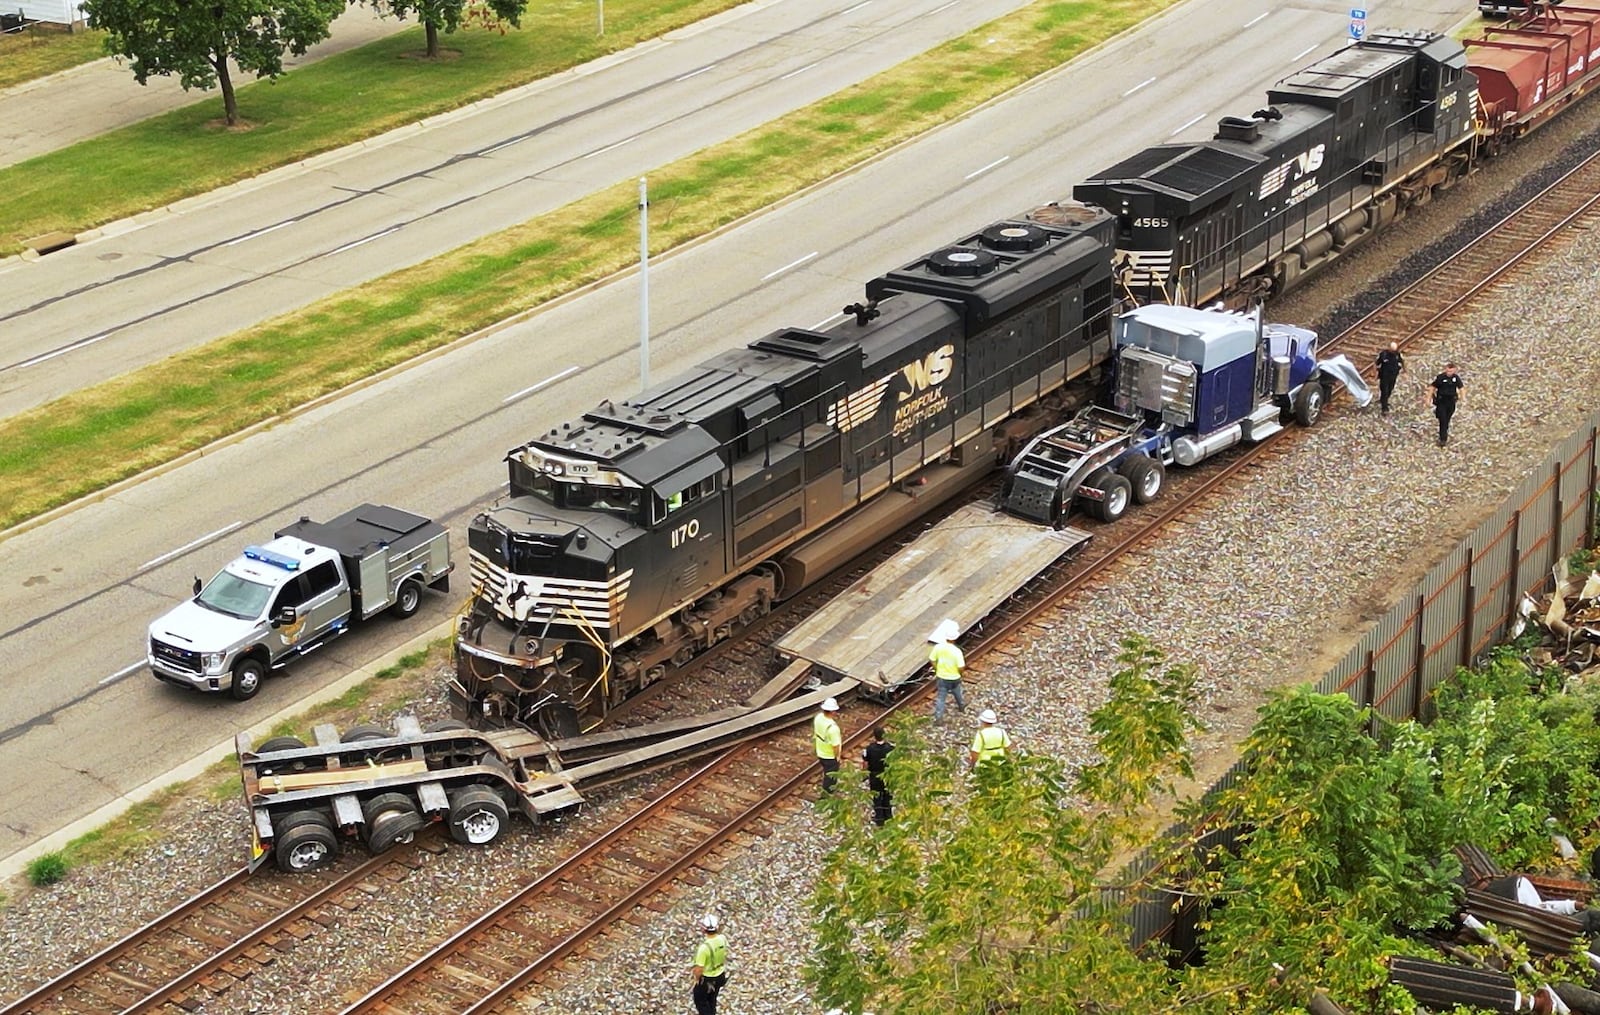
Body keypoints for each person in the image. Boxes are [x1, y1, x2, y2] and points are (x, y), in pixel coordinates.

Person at [928, 618, 966, 722]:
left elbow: (932, 659)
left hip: (942, 677)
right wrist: (959, 674)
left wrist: (937, 669)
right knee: (957, 692)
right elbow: (961, 667)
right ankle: (961, 706)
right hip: (955, 677)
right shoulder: (957, 651)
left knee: (941, 698)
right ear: (954, 639)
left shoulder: (938, 647)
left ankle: (938, 717)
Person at [690, 913, 729, 1015]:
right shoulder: (722, 939)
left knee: (701, 1002)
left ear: (703, 929)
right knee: (712, 998)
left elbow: (699, 969)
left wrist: (696, 978)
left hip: (707, 979)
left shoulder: (704, 948)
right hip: (720, 975)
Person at [863, 726, 894, 825]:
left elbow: (865, 762)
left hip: (874, 775)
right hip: (887, 775)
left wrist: (864, 774)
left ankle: (879, 818)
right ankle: (888, 816)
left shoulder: (869, 749)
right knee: (887, 795)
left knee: (876, 796)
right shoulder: (890, 748)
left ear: (874, 736)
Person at [1429, 362, 1464, 447]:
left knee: (1447, 419)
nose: (1449, 373)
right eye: (1448, 371)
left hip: (1451, 401)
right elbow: (1433, 387)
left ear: (1454, 371)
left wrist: (1462, 397)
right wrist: (1428, 398)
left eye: (1451, 371)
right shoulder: (1441, 378)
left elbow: (1461, 388)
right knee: (1443, 420)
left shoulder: (1456, 378)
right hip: (1442, 401)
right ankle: (1443, 439)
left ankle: (1444, 431)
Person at [814, 697, 842, 792]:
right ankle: (827, 795)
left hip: (820, 751)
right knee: (830, 777)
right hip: (829, 756)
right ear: (833, 711)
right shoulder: (833, 728)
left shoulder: (818, 718)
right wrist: (837, 756)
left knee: (826, 772)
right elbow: (835, 745)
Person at [1375, 342, 1405, 415]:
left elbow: (1402, 361)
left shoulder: (1397, 354)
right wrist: (1375, 375)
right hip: (1384, 376)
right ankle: (1384, 408)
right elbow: (1376, 363)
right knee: (1384, 391)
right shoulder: (1384, 355)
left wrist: (1405, 371)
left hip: (1393, 375)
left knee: (1390, 389)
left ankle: (1383, 400)